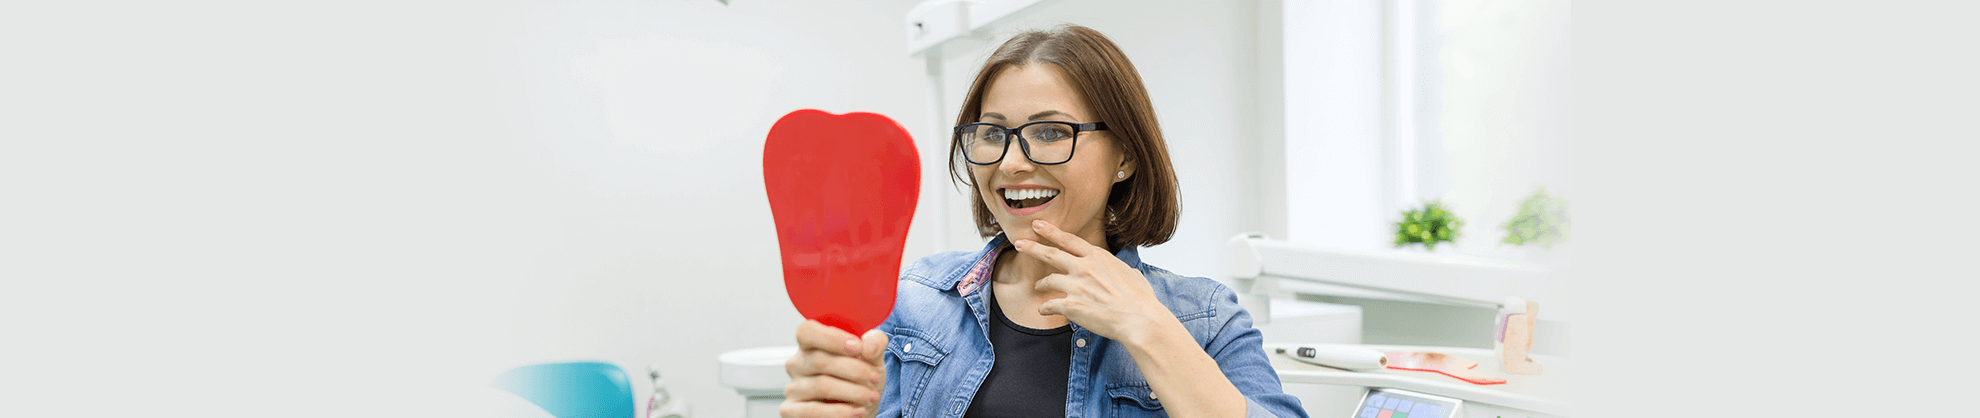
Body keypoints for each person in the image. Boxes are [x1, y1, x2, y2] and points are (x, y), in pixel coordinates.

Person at [780, 24, 1307, 418]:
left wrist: (1146, 325)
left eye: (1051, 132)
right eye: (992, 134)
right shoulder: (916, 304)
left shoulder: (1203, 319)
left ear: (1125, 156)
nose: (1011, 163)